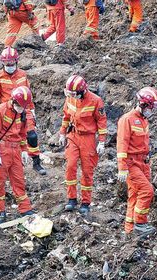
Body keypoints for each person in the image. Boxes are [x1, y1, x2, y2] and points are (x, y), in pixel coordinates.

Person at [0, 47, 47, 175]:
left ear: (16, 61)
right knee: (10, 137)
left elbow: (28, 94)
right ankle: (9, 159)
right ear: (2, 63)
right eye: (6, 63)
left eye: (11, 63)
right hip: (8, 110)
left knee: (32, 135)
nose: (9, 66)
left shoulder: (22, 75)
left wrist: (32, 111)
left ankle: (36, 162)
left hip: (24, 109)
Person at [116, 87, 157, 237]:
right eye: (151, 107)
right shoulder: (127, 120)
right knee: (146, 191)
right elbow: (122, 145)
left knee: (134, 195)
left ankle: (129, 229)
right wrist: (122, 167)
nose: (152, 111)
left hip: (143, 162)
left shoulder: (143, 120)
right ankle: (140, 224)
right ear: (143, 104)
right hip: (131, 164)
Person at [59, 75, 107, 215]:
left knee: (87, 171)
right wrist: (62, 133)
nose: (71, 96)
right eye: (69, 94)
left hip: (88, 139)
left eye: (73, 94)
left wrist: (102, 142)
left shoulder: (95, 101)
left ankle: (85, 202)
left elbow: (102, 122)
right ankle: (72, 198)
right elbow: (66, 116)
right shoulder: (70, 98)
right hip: (73, 135)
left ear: (82, 91)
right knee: (70, 165)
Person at [0, 86, 35, 224]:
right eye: (21, 106)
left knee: (19, 180)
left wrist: (24, 150)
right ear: (14, 101)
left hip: (15, 150)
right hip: (2, 149)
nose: (22, 108)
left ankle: (25, 208)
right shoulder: (0, 111)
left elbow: (22, 133)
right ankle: (0, 211)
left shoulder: (22, 112)